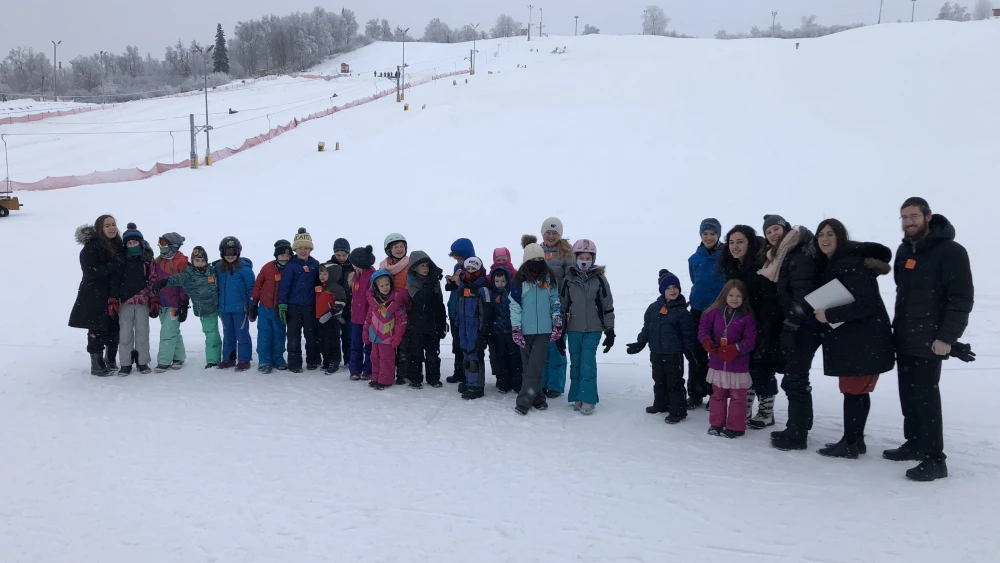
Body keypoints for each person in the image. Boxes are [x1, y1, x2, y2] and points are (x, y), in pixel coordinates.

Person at [885, 197, 974, 481]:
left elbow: (960, 298)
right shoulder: (904, 250)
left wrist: (947, 337)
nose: (908, 222)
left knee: (925, 398)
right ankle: (914, 443)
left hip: (931, 340)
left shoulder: (951, 251)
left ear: (928, 216)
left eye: (914, 216)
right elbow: (903, 292)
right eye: (904, 217)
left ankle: (935, 459)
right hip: (905, 335)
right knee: (908, 396)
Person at [810, 219, 895, 459]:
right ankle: (856, 440)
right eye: (820, 235)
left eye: (830, 234)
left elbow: (866, 304)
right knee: (858, 392)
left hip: (861, 339)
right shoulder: (842, 262)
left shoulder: (850, 264)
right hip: (862, 338)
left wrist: (829, 315)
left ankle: (849, 442)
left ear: (841, 237)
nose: (824, 239)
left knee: (853, 392)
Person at [756, 216, 822, 451]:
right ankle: (800, 426)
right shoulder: (784, 254)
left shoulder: (797, 253)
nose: (773, 234)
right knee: (796, 378)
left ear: (785, 229)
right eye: (769, 231)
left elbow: (802, 292)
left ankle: (798, 433)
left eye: (776, 229)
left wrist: (793, 323)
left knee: (795, 379)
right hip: (799, 322)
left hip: (803, 325)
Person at [718, 225, 783, 428]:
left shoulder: (760, 264)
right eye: (731, 242)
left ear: (750, 243)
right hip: (741, 323)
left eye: (740, 242)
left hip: (763, 323)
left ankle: (766, 410)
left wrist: (765, 326)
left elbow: (769, 298)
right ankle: (746, 406)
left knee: (762, 367)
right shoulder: (731, 265)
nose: (735, 246)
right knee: (745, 367)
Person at [626, 271, 695, 423]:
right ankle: (661, 404)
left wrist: (690, 352)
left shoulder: (682, 312)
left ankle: (678, 411)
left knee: (675, 383)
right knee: (659, 380)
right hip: (656, 352)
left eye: (675, 287)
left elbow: (687, 334)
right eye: (668, 287)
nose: (672, 290)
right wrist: (640, 343)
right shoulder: (653, 308)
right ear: (662, 290)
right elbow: (647, 329)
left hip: (674, 354)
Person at [560, 239, 615, 415]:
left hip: (593, 329)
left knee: (588, 363)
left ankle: (588, 398)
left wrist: (610, 330)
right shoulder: (568, 280)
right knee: (575, 363)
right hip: (573, 328)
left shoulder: (600, 279)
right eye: (581, 257)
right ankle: (577, 395)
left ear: (593, 258)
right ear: (575, 258)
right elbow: (562, 306)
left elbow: (607, 305)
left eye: (588, 257)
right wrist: (559, 332)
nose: (585, 260)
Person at [510, 236, 563, 415]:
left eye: (541, 259)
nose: (538, 263)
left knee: (535, 364)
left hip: (544, 330)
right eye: (534, 260)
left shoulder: (549, 278)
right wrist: (516, 328)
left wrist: (557, 321)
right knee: (528, 365)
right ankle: (538, 396)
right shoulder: (519, 281)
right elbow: (515, 305)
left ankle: (524, 400)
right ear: (527, 261)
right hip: (525, 329)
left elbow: (555, 300)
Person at [699, 280, 757, 438]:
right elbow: (703, 327)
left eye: (738, 296)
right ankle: (716, 424)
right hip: (718, 363)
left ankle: (735, 427)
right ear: (725, 295)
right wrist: (707, 341)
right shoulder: (714, 313)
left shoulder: (747, 318)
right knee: (718, 395)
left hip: (737, 365)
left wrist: (735, 349)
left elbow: (750, 341)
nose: (734, 299)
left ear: (744, 298)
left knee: (738, 397)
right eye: (731, 295)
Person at [70, 216, 124, 376]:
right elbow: (90, 272)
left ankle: (111, 360)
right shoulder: (90, 248)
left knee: (115, 329)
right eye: (107, 225)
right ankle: (97, 365)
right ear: (100, 228)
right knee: (98, 330)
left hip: (113, 294)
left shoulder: (118, 245)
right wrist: (114, 265)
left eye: (113, 224)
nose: (112, 228)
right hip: (94, 296)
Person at [157, 246, 222, 369]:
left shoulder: (212, 270)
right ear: (192, 261)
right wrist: (164, 282)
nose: (200, 263)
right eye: (197, 261)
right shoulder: (189, 275)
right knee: (212, 335)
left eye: (203, 260)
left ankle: (231, 358)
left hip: (220, 307)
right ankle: (213, 360)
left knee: (229, 332)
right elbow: (177, 278)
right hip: (205, 310)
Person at [687, 218, 725, 408]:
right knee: (696, 354)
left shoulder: (726, 256)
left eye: (712, 233)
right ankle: (695, 393)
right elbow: (695, 280)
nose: (708, 237)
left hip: (719, 312)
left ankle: (715, 394)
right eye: (705, 233)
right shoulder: (694, 259)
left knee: (717, 354)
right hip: (697, 311)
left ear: (718, 234)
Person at [110, 223, 158, 376]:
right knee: (125, 334)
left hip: (143, 301)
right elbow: (115, 280)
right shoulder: (121, 260)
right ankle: (125, 363)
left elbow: (153, 280)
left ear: (140, 242)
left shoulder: (147, 260)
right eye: (129, 243)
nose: (132, 245)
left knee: (142, 333)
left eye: (134, 242)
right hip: (125, 302)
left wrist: (153, 298)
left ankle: (142, 362)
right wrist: (113, 299)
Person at [539, 218, 573, 398]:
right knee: (541, 347)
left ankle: (555, 385)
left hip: (558, 308)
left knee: (557, 346)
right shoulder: (536, 251)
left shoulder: (566, 253)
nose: (551, 236)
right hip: (539, 307)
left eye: (555, 233)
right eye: (548, 232)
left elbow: (570, 281)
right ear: (542, 233)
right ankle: (542, 383)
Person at [279, 228, 321, 373]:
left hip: (310, 306)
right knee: (293, 336)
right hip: (293, 307)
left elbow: (319, 283)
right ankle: (295, 363)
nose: (303, 251)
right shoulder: (291, 266)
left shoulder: (315, 264)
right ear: (295, 249)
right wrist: (282, 304)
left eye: (306, 248)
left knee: (311, 335)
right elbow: (284, 286)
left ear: (310, 249)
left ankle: (313, 360)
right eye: (299, 248)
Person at [405, 251, 447, 388]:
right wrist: (431, 282)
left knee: (433, 354)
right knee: (415, 353)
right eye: (422, 265)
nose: (425, 268)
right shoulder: (412, 282)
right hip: (417, 324)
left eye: (427, 265)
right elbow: (421, 299)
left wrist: (442, 323)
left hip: (433, 324)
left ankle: (433, 378)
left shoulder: (435, 281)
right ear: (414, 267)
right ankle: (415, 379)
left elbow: (440, 303)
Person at [251, 240, 292, 373]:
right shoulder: (267, 267)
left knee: (279, 335)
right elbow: (258, 285)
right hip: (264, 308)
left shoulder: (291, 268)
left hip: (280, 309)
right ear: (276, 256)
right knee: (264, 335)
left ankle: (278, 358)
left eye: (287, 256)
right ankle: (264, 360)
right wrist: (254, 302)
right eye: (282, 256)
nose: (285, 258)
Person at [363, 269, 408, 390]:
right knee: (374, 357)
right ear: (376, 287)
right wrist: (365, 332)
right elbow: (368, 318)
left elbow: (401, 320)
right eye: (382, 285)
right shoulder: (374, 302)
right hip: (374, 336)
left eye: (387, 284)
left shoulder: (395, 301)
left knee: (386, 358)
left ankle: (385, 380)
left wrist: (397, 336)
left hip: (388, 337)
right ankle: (376, 377)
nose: (385, 287)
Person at [456, 257, 494, 400]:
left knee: (475, 355)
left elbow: (487, 311)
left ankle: (477, 386)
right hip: (464, 327)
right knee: (465, 354)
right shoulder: (462, 288)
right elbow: (458, 307)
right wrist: (458, 323)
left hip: (476, 328)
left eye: (474, 269)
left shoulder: (483, 289)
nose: (471, 271)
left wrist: (483, 330)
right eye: (468, 269)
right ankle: (468, 380)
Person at [215, 236, 255, 371]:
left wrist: (252, 307)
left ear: (238, 252)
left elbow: (251, 289)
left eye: (233, 252)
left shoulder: (245, 269)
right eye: (227, 252)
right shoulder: (218, 268)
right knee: (228, 334)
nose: (230, 256)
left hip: (240, 309)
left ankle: (244, 359)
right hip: (225, 308)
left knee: (242, 334)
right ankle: (229, 358)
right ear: (222, 253)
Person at [153, 232, 190, 373]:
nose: (160, 246)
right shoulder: (159, 261)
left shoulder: (181, 262)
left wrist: (183, 304)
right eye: (159, 242)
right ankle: (178, 357)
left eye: (163, 243)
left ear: (173, 246)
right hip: (162, 303)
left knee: (167, 333)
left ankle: (164, 361)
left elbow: (184, 284)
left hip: (175, 304)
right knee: (173, 330)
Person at [381, 233, 411, 385]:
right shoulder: (383, 267)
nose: (399, 249)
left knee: (403, 343)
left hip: (405, 309)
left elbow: (410, 286)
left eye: (402, 246)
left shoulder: (410, 264)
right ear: (389, 250)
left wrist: (399, 300)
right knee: (388, 342)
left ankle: (402, 373)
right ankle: (387, 372)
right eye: (395, 247)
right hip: (386, 309)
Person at [446, 238, 476, 384]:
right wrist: (451, 282)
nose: (458, 260)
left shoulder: (474, 268)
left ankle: (468, 374)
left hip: (467, 314)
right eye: (456, 258)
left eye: (460, 258)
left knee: (467, 344)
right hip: (455, 311)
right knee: (457, 343)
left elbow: (472, 289)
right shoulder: (457, 268)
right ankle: (459, 372)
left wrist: (459, 283)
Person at [489, 265, 522, 394]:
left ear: (508, 280)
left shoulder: (511, 294)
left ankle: (517, 382)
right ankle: (503, 382)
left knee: (515, 358)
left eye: (503, 281)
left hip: (511, 331)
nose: (500, 284)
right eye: (497, 281)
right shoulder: (492, 295)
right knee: (501, 358)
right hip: (498, 332)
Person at [348, 245, 377, 380]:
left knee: (369, 346)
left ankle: (368, 370)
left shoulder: (372, 276)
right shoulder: (356, 276)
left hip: (369, 319)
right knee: (355, 345)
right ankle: (355, 370)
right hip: (356, 318)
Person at [316, 263, 348, 374]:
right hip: (321, 320)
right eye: (321, 273)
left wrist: (330, 314)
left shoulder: (336, 288)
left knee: (332, 341)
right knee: (322, 341)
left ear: (333, 275)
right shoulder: (321, 288)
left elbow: (340, 304)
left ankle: (334, 361)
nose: (322, 276)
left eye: (325, 273)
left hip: (332, 320)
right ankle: (326, 360)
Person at [329, 238, 354, 368]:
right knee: (333, 334)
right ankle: (334, 360)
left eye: (344, 255)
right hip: (334, 306)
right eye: (338, 255)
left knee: (348, 334)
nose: (341, 258)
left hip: (350, 306)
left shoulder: (354, 266)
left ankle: (349, 359)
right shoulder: (329, 265)